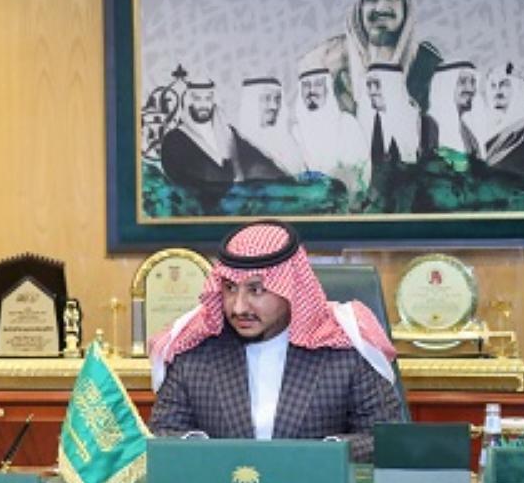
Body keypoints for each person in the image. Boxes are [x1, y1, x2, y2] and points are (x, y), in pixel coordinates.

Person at [148, 220, 403, 462]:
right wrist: (209, 454)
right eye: (230, 288)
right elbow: (163, 434)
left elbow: (384, 439)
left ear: (290, 288)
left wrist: (323, 457)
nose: (238, 307)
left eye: (256, 290)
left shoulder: (345, 348)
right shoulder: (193, 349)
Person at [298, 0, 441, 115]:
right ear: (359, 6)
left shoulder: (429, 65)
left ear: (405, 5)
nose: (381, 8)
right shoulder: (325, 60)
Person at [160, 73, 240, 209]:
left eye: (208, 98)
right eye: (197, 99)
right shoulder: (174, 139)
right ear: (189, 101)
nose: (203, 105)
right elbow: (178, 183)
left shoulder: (230, 134)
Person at [291, 67, 369, 190]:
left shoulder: (346, 123)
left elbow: (359, 170)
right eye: (306, 85)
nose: (311, 91)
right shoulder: (295, 132)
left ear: (327, 89)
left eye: (318, 84)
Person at [483, 63, 524, 177]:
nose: (497, 91)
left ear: (519, 88)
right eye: (492, 85)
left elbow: (506, 167)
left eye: (504, 84)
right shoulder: (483, 128)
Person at [235, 76, 304, 177]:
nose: (274, 106)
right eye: (266, 98)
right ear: (251, 103)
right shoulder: (237, 148)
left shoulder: (290, 144)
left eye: (277, 99)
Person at [360, 62, 423, 164]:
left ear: (391, 85)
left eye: (377, 84)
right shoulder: (372, 123)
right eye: (368, 85)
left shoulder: (413, 120)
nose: (371, 91)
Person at [426, 61, 484, 158]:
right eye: (462, 82)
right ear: (446, 86)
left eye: (473, 82)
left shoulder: (468, 132)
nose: (470, 89)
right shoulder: (428, 127)